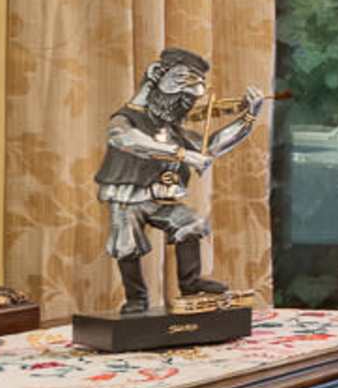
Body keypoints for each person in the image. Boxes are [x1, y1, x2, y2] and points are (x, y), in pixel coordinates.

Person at [96, 48, 262, 313]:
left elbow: (212, 146)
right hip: (127, 196)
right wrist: (181, 154)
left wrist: (248, 117)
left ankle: (190, 283)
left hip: (162, 197)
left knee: (190, 223)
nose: (185, 102)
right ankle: (136, 298)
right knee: (126, 243)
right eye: (181, 86)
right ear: (156, 74)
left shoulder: (171, 129)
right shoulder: (126, 118)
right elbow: (125, 139)